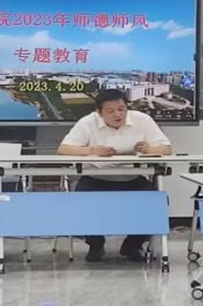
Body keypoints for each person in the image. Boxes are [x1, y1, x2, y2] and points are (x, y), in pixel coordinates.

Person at [58, 89, 171, 263]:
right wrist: (91, 150)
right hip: (96, 179)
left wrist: (150, 149)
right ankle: (95, 245)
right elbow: (64, 149)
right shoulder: (88, 122)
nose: (118, 114)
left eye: (121, 109)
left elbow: (166, 148)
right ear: (99, 112)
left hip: (132, 179)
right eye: (110, 111)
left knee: (156, 202)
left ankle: (133, 245)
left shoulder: (142, 120)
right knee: (81, 201)